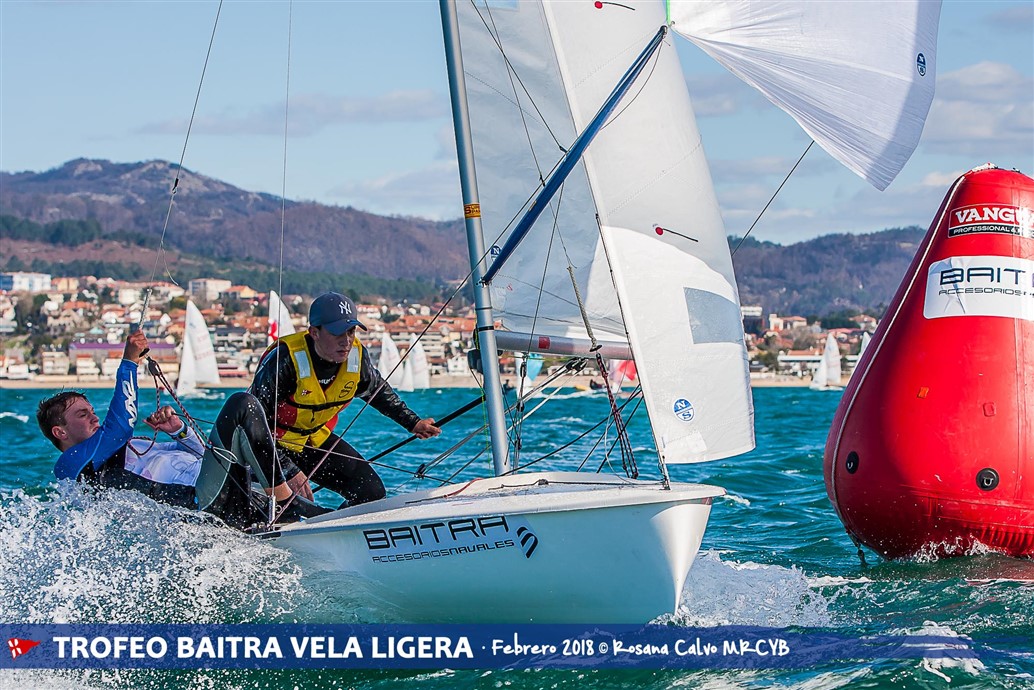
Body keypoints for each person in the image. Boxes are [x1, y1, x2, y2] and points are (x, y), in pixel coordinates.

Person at [38, 330, 328, 529]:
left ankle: (316, 508)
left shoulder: (131, 447)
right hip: (201, 507)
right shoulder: (73, 464)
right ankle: (287, 505)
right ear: (60, 432)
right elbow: (121, 424)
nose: (94, 417)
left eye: (92, 411)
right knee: (241, 406)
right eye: (82, 414)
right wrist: (129, 362)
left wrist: (179, 432)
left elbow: (205, 456)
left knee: (280, 434)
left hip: (232, 492)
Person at [249, 291, 441, 509]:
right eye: (337, 333)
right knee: (279, 508)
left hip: (311, 440)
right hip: (268, 445)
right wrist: (288, 470)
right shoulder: (285, 360)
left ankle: (332, 527)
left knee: (370, 492)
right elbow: (254, 425)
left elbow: (378, 392)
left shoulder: (356, 357)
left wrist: (413, 422)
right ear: (315, 332)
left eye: (351, 331)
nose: (346, 341)